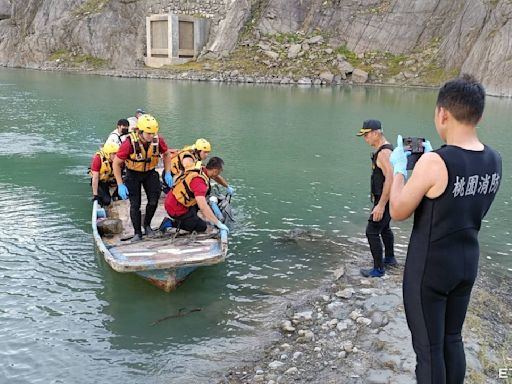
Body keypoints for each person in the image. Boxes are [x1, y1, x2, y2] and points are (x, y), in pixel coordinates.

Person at [389, 74, 502, 384]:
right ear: (479, 115)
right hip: (467, 262)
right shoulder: (495, 159)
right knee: (452, 338)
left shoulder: (435, 162)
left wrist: (400, 169)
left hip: (430, 268)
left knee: (428, 351)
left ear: (443, 113)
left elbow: (398, 210)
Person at [113, 114, 174, 241]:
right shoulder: (129, 143)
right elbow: (116, 163)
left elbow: (167, 155)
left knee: (153, 200)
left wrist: (168, 172)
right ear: (140, 131)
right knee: (135, 204)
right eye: (148, 133)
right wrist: (120, 184)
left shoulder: (158, 140)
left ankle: (147, 225)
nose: (151, 136)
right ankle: (137, 233)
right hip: (133, 174)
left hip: (150, 173)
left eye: (153, 133)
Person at [356, 119, 397, 278]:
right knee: (384, 228)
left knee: (372, 231)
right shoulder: (385, 149)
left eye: (366, 135)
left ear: (375, 133)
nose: (365, 139)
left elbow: (391, 178)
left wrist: (380, 205)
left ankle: (378, 269)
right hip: (386, 198)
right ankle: (390, 258)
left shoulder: (384, 153)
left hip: (384, 198)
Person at [164, 157, 229, 234]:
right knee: (201, 227)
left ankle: (188, 218)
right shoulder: (199, 182)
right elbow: (203, 206)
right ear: (215, 170)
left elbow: (216, 177)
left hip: (175, 199)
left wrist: (227, 186)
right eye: (218, 172)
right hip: (176, 207)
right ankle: (169, 223)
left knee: (196, 213)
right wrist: (217, 223)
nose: (218, 175)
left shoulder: (202, 169)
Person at [169, 138, 235, 194]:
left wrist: (226, 186)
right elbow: (189, 172)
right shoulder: (188, 158)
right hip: (171, 179)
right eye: (205, 152)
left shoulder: (197, 157)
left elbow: (214, 175)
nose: (207, 155)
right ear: (198, 151)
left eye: (208, 152)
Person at [89, 142, 120, 207]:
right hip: (101, 181)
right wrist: (95, 195)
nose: (116, 156)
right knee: (106, 201)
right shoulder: (98, 159)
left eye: (117, 153)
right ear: (108, 154)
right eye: (114, 154)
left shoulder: (118, 159)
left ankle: (116, 195)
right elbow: (95, 178)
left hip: (111, 179)